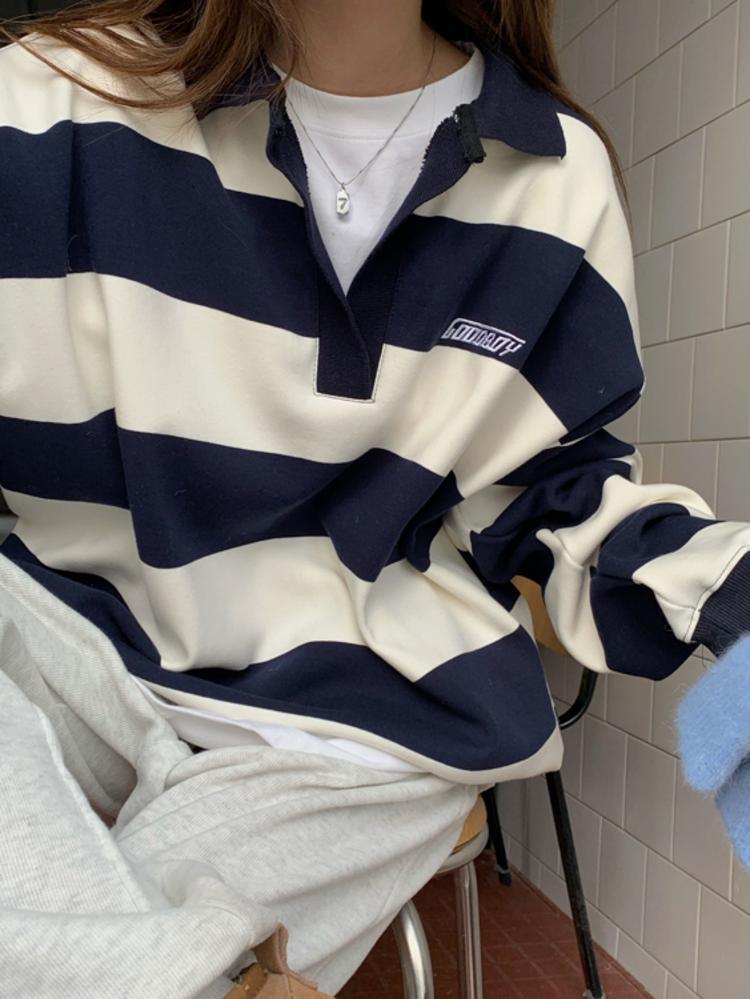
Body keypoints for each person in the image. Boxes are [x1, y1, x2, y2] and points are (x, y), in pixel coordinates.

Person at [1, 1, 749, 997]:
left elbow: (551, 493)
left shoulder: (557, 177)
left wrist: (726, 590)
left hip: (364, 701)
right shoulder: (47, 96)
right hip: (54, 632)